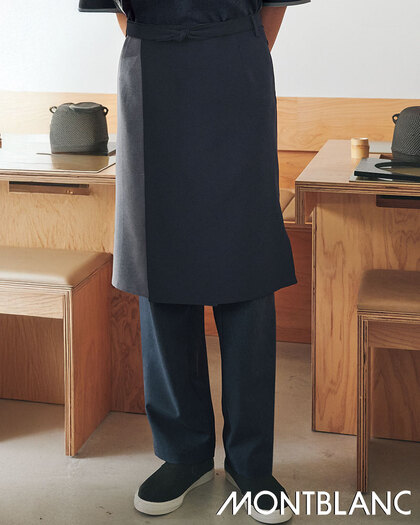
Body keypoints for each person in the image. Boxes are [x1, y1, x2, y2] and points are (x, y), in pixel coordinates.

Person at [79, 1, 310, 522]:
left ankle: (252, 463)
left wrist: (233, 46)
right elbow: (117, 8)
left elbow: (274, 4)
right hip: (152, 71)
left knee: (246, 267)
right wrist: (162, 42)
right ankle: (183, 454)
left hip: (237, 71)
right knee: (159, 262)